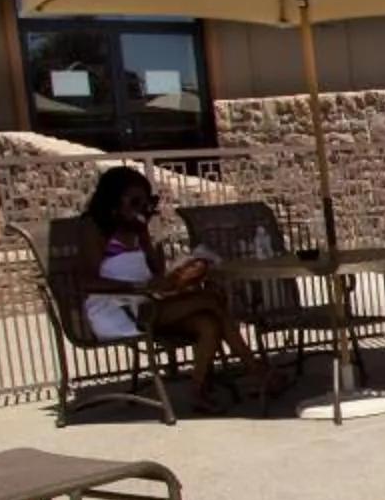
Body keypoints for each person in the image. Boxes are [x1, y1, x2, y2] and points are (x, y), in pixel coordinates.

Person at [75, 165, 253, 410]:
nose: (142, 208)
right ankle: (258, 372)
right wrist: (139, 286)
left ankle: (199, 391)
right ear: (114, 199)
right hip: (116, 310)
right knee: (210, 299)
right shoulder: (94, 226)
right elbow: (86, 281)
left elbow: (155, 272)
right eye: (135, 202)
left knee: (208, 323)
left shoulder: (136, 227)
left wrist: (162, 254)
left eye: (147, 202)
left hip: (146, 304)